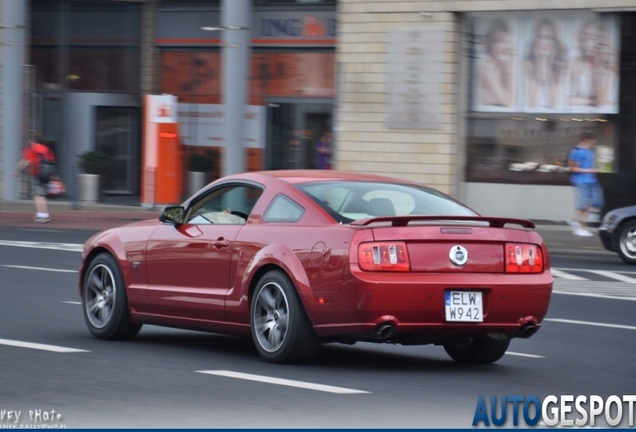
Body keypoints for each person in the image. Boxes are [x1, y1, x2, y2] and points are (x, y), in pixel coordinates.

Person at [567, 18, 617, 108]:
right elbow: (564, 99)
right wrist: (591, 101)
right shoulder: (574, 63)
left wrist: (602, 70)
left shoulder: (610, 64)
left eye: (593, 39)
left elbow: (601, 101)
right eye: (584, 40)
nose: (586, 44)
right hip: (579, 114)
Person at [567, 131, 604, 237]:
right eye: (593, 141)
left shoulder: (589, 151)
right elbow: (572, 167)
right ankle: (579, 227)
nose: (593, 143)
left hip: (591, 180)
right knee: (584, 205)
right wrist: (589, 171)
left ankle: (576, 222)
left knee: (597, 203)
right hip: (581, 181)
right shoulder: (577, 151)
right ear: (588, 140)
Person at [524, 18, 565, 110]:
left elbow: (554, 105)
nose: (544, 42)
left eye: (548, 38)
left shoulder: (560, 63)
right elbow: (533, 104)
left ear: (554, 41)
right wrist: (541, 61)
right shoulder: (527, 63)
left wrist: (547, 62)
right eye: (540, 37)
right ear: (535, 39)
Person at [12, 137, 55, 223]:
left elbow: (25, 161)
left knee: (37, 196)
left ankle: (41, 215)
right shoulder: (45, 148)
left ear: (32, 141)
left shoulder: (31, 149)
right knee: (42, 195)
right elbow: (52, 160)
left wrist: (16, 171)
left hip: (35, 173)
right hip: (45, 175)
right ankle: (45, 214)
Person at [478, 19, 516, 108]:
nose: (499, 46)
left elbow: (515, 99)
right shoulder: (487, 68)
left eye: (503, 41)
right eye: (495, 41)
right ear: (489, 42)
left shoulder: (503, 65)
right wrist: (511, 70)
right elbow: (509, 102)